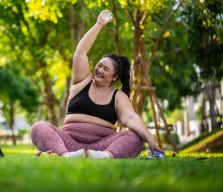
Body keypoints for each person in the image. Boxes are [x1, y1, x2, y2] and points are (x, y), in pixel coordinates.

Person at [30, 10, 164, 158]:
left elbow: (131, 118)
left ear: (115, 76)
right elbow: (80, 53)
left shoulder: (118, 96)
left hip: (102, 146)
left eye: (106, 69)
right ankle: (65, 155)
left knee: (136, 137)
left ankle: (105, 156)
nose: (99, 70)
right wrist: (99, 25)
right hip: (68, 142)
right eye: (99, 65)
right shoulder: (83, 81)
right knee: (39, 127)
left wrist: (151, 141)